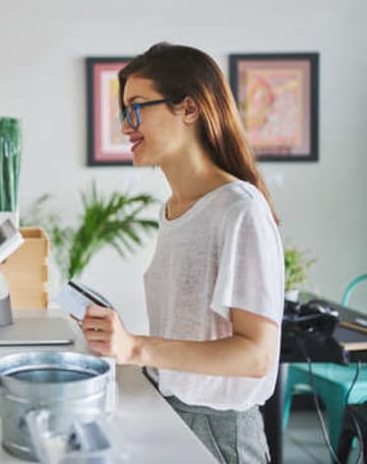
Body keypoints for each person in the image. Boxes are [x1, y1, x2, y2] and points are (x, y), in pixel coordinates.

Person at [82, 43, 284, 463]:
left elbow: (257, 355)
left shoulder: (240, 210)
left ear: (188, 109)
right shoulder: (175, 209)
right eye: (124, 112)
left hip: (220, 433)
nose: (126, 127)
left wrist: (136, 348)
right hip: (173, 412)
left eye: (136, 108)